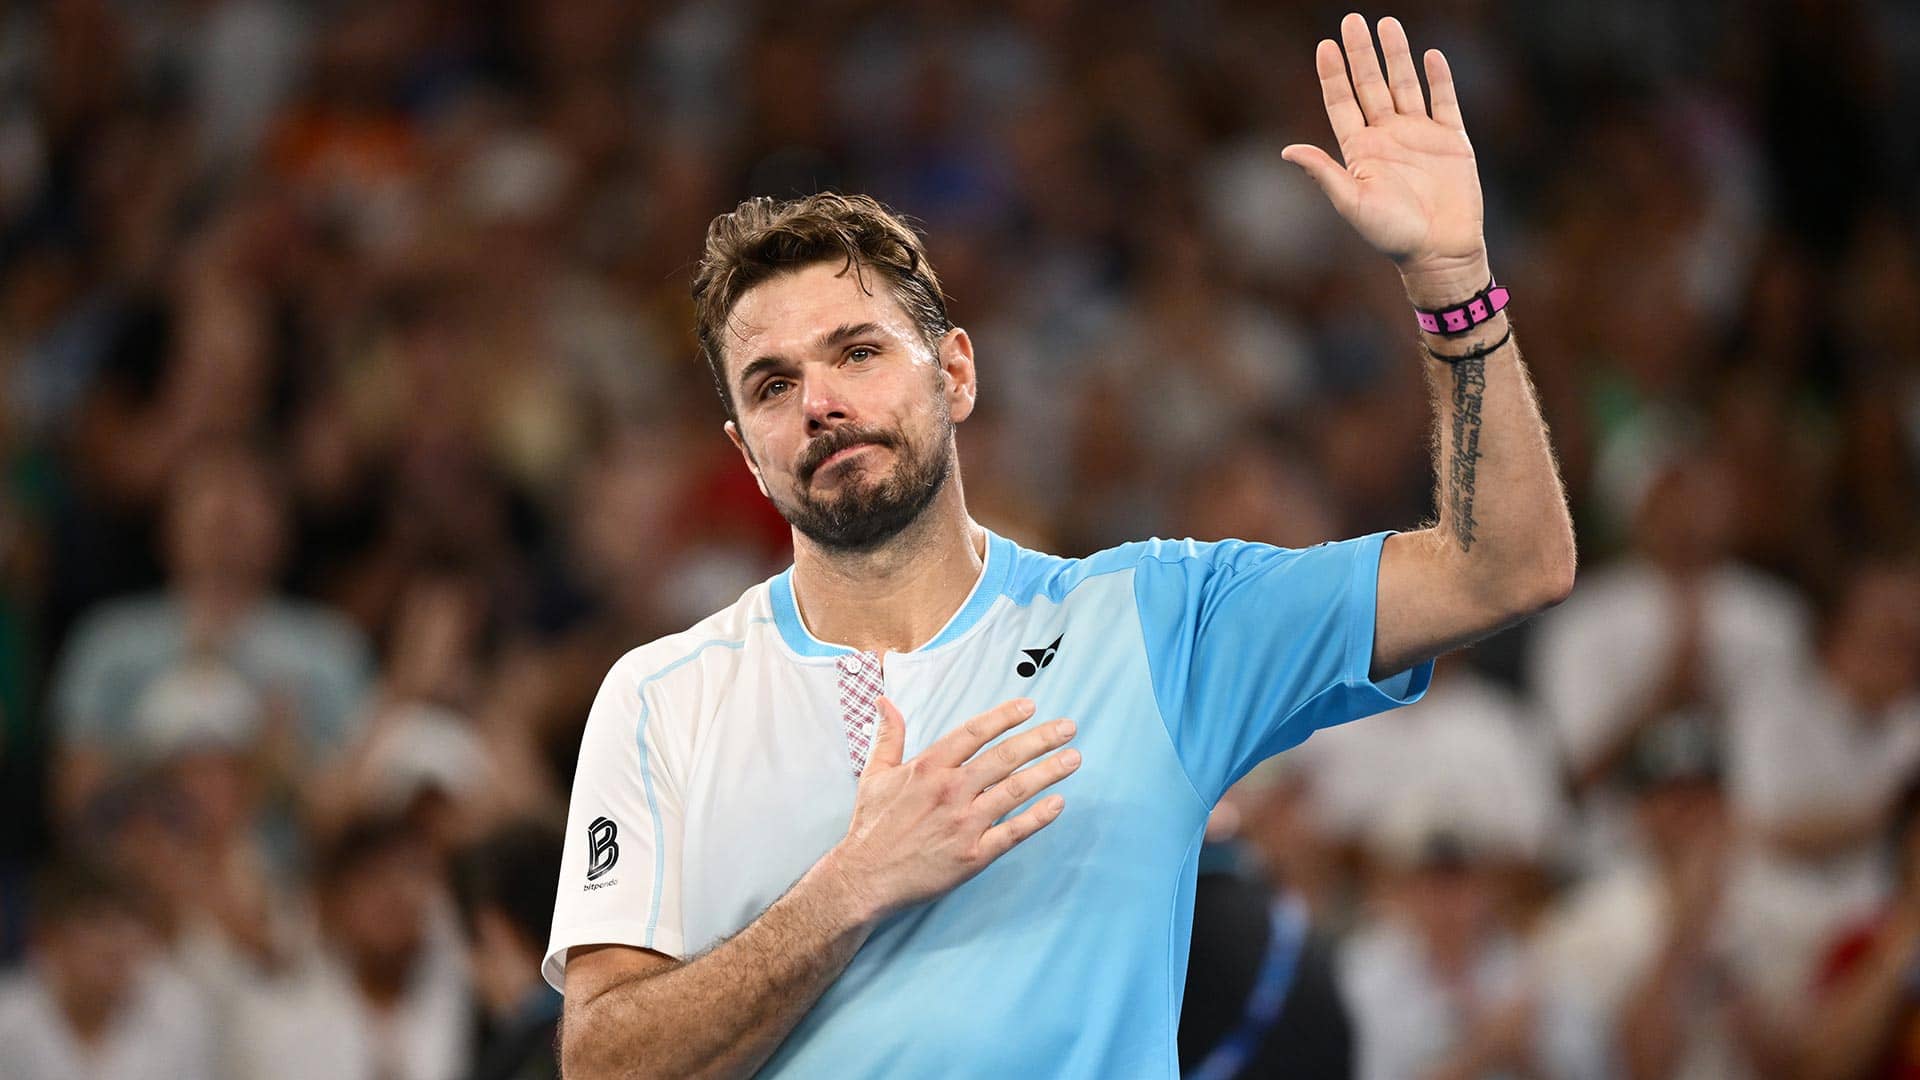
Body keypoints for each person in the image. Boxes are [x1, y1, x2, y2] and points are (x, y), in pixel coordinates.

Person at [548, 14, 1575, 1077]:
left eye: (857, 352)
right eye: (772, 385)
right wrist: (851, 886)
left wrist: (1453, 278)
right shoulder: (661, 699)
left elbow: (1507, 566)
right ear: (746, 454)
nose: (819, 402)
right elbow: (602, 1063)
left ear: (956, 373)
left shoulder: (1157, 624)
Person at [451, 821, 566, 1080]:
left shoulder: (511, 1062)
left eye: (474, 941)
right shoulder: (616, 1025)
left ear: (496, 929)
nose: (470, 966)